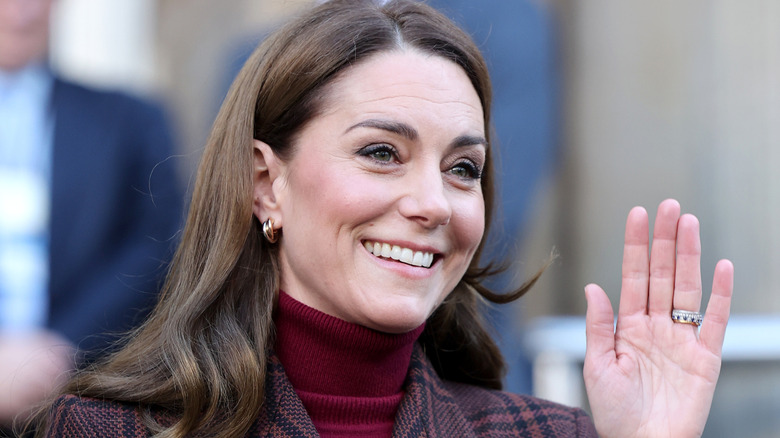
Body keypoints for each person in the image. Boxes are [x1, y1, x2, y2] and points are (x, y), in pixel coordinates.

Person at [35, 0, 734, 437]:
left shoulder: (546, 433)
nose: (433, 202)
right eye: (380, 152)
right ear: (263, 184)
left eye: (464, 168)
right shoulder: (100, 429)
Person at [0, 0, 183, 432]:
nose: (21, 11)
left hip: (88, 396)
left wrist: (60, 347)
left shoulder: (132, 120)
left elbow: (156, 242)